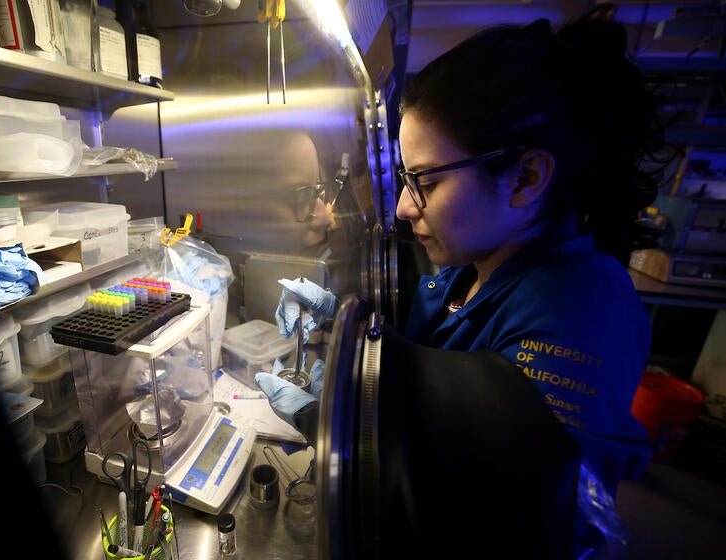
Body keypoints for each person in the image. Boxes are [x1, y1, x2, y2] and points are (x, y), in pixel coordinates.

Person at [255, 6, 671, 557]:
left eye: (425, 181)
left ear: (525, 178)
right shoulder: (472, 265)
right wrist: (341, 326)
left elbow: (509, 511)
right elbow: (433, 377)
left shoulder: (584, 312)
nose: (404, 208)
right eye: (405, 178)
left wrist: (341, 427)